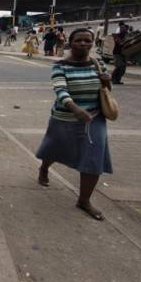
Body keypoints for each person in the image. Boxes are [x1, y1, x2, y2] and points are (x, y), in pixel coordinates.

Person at [36, 28, 113, 221]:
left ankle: (84, 200)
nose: (84, 44)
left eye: (88, 41)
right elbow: (60, 90)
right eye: (79, 40)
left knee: (94, 159)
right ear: (71, 42)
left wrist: (106, 81)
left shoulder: (98, 63)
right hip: (64, 117)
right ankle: (44, 168)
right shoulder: (60, 66)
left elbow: (106, 90)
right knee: (53, 149)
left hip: (94, 119)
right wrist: (75, 108)